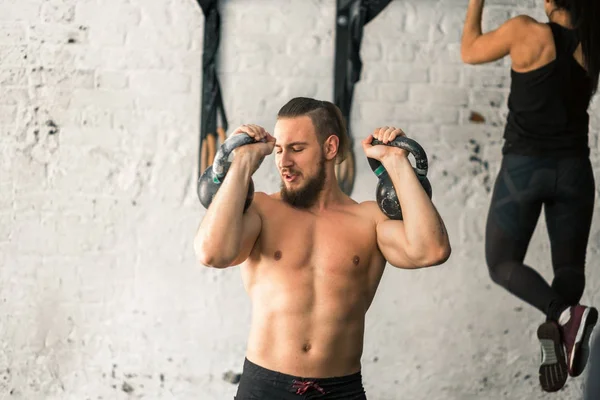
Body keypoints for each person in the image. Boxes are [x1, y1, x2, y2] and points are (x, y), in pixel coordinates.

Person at [194, 97, 451, 399]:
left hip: (340, 391)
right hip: (263, 389)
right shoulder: (262, 210)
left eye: (297, 149)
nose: (283, 161)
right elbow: (212, 253)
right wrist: (241, 165)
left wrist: (396, 163)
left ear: (330, 148)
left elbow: (431, 250)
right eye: (278, 150)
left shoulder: (368, 220)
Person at [461, 0, 600, 393]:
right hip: (575, 171)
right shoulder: (593, 43)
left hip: (525, 169)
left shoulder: (527, 31)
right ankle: (566, 329)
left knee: (501, 261)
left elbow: (470, 50)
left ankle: (562, 314)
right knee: (569, 269)